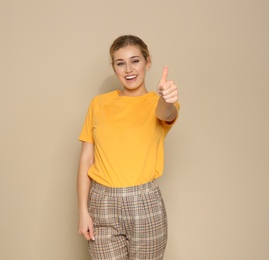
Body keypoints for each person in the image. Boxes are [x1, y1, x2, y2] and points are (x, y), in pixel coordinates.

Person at [77, 35, 180, 260]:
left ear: (148, 62)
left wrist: (167, 98)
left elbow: (166, 113)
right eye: (120, 63)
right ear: (114, 68)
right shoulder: (98, 104)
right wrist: (83, 211)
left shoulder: (158, 103)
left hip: (145, 203)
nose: (128, 69)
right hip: (102, 203)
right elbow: (86, 160)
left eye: (135, 61)